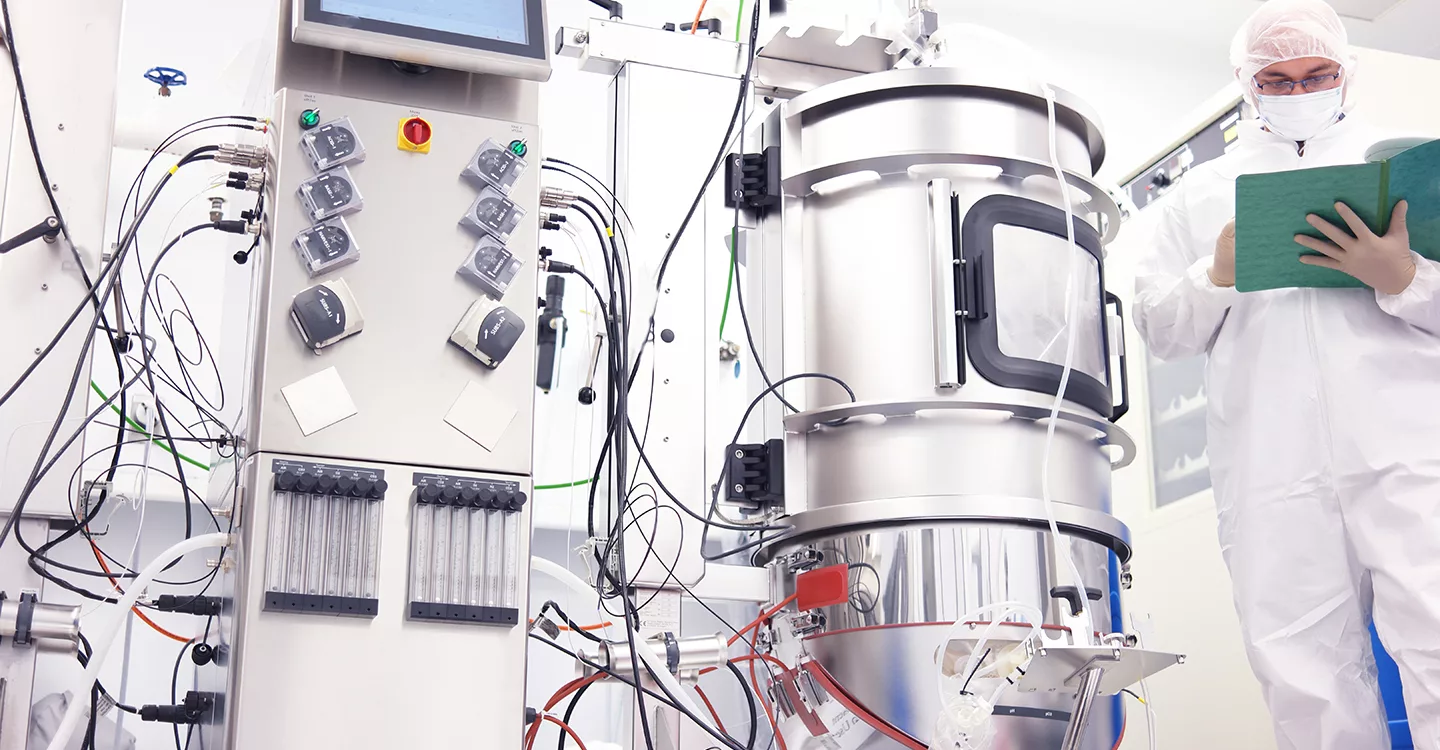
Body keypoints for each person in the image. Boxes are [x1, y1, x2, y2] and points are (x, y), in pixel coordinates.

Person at [1132, 1, 1440, 748]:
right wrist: (1217, 276)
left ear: (1346, 72)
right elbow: (1160, 329)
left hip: (1407, 447)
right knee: (1301, 667)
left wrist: (1405, 276)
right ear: (1247, 82)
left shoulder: (1400, 165)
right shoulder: (1195, 199)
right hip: (1274, 466)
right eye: (1278, 78)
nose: (1300, 90)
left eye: (1318, 74)